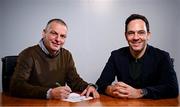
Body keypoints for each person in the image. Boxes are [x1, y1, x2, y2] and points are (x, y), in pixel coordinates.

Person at [10, 18, 99, 99]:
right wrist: (49, 93)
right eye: (54, 33)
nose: (58, 39)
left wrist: (89, 87)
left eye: (62, 36)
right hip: (33, 103)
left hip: (57, 104)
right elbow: (16, 86)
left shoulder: (66, 55)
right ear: (44, 33)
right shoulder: (28, 54)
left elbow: (75, 81)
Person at [96, 14, 179, 99]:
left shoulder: (163, 56)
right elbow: (100, 84)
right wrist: (110, 90)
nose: (136, 37)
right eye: (131, 33)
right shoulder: (116, 55)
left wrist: (140, 92)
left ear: (148, 35)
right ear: (126, 36)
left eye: (141, 32)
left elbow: (173, 88)